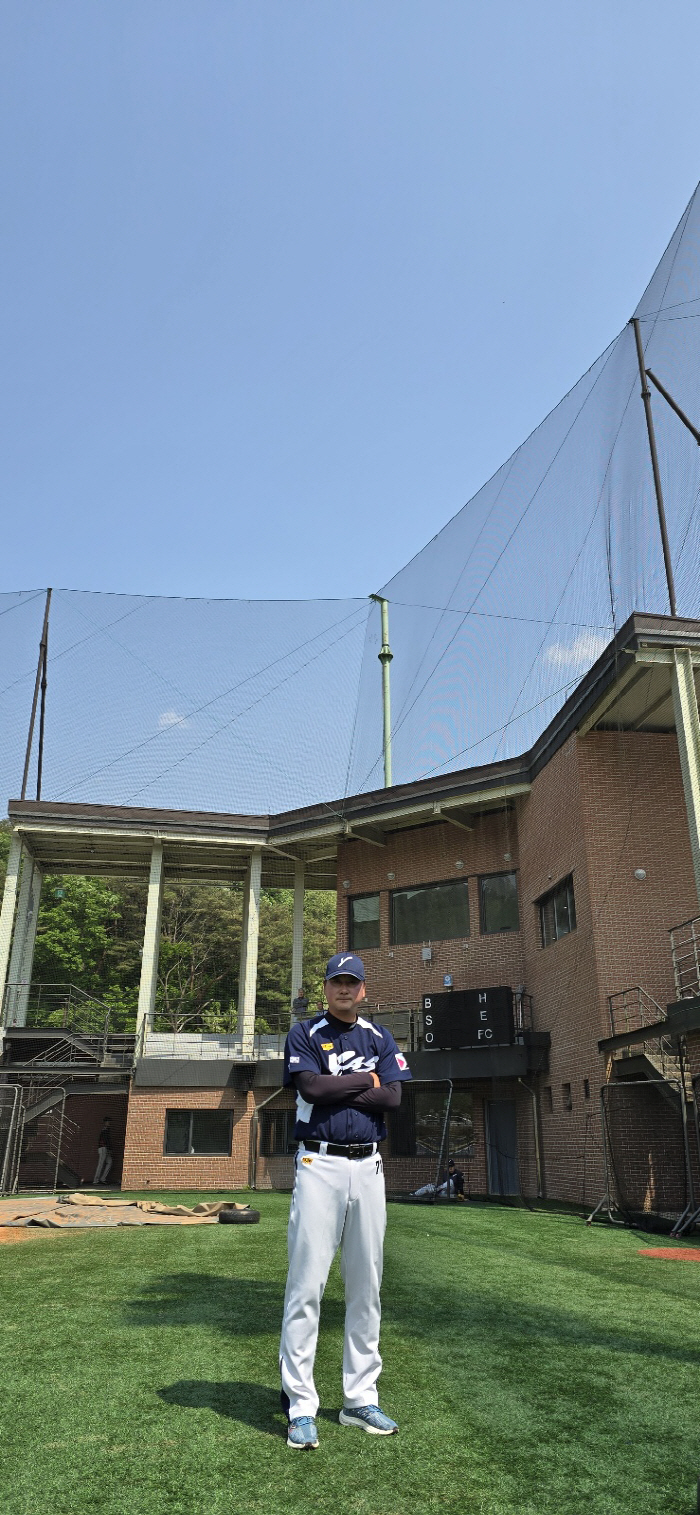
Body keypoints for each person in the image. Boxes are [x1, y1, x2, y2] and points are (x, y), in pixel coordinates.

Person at [279, 952, 412, 1450]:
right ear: (326, 987)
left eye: (351, 982)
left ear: (362, 989)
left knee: (366, 1284)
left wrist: (340, 1089)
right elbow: (310, 1087)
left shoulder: (379, 1036)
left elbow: (394, 1100)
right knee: (306, 1285)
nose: (343, 989)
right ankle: (301, 1405)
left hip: (369, 1167)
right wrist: (367, 1081)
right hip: (320, 1164)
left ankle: (359, 1399)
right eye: (336, 980)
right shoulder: (305, 1032)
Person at [93, 1117, 113, 1185]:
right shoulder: (104, 1130)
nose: (109, 1123)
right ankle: (96, 1180)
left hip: (106, 1148)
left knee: (109, 1162)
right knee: (101, 1164)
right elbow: (106, 1141)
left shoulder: (107, 1130)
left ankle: (103, 1178)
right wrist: (109, 1148)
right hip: (103, 1148)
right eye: (108, 1121)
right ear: (105, 1122)